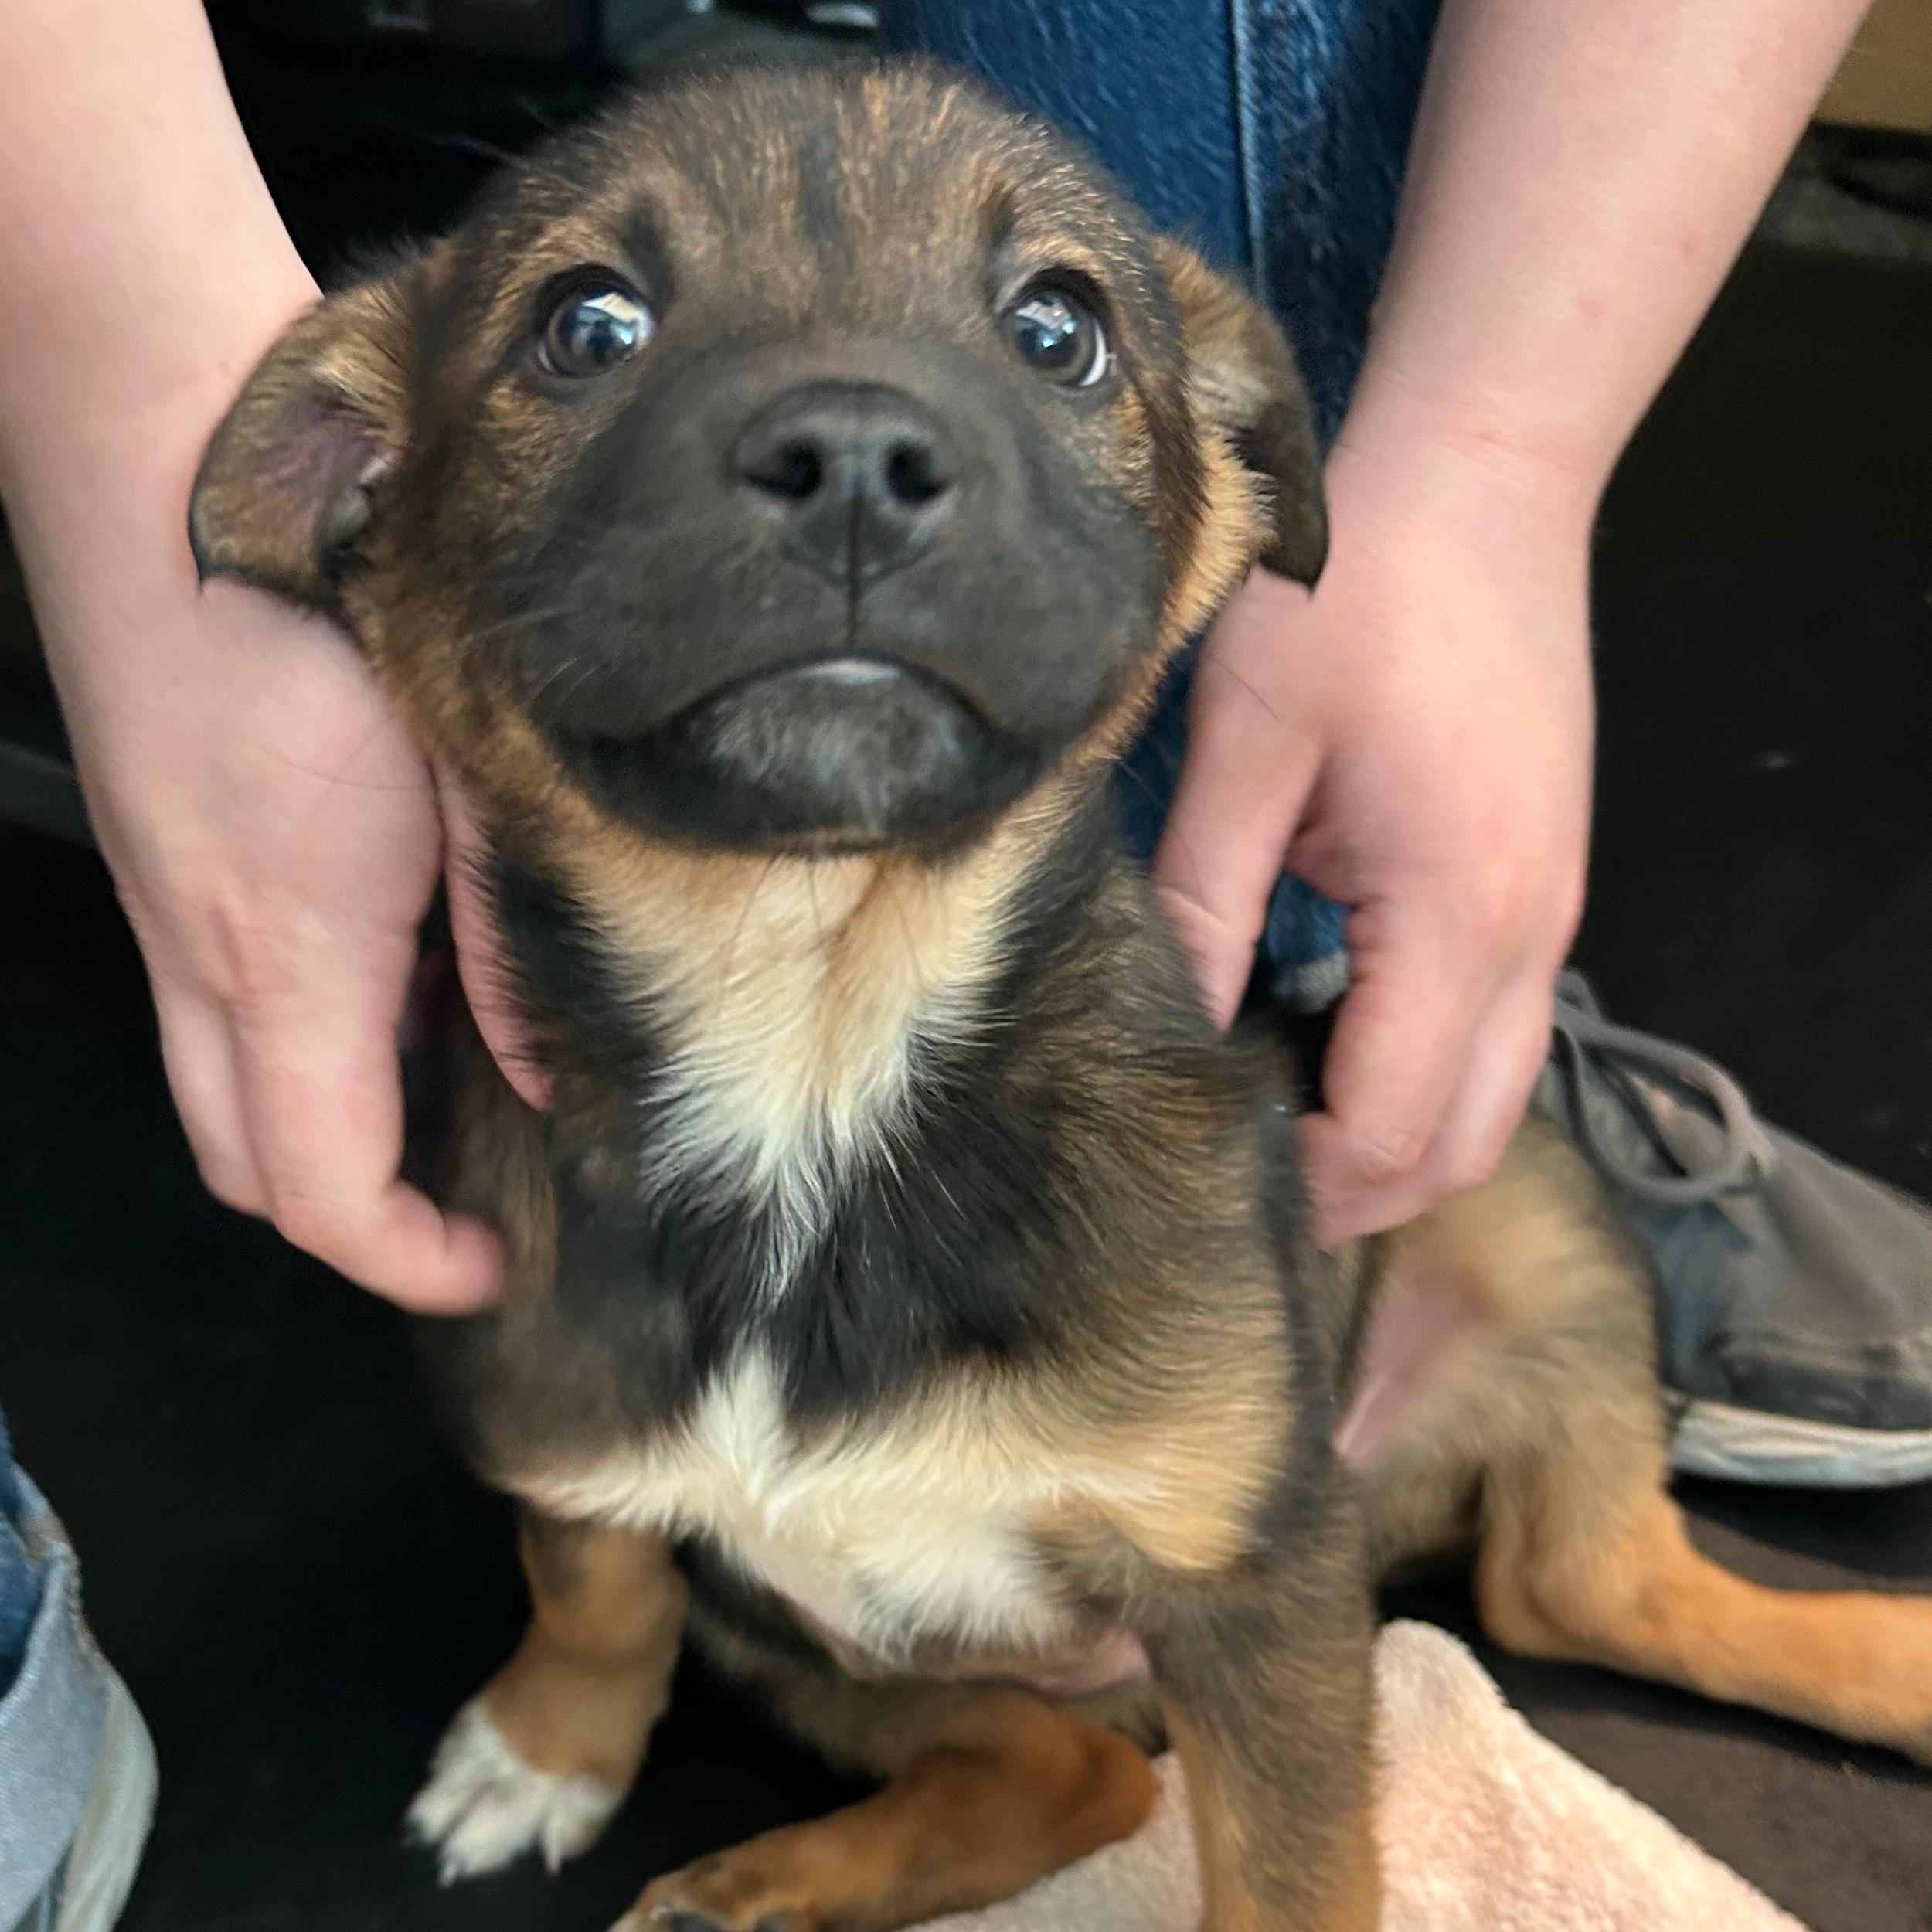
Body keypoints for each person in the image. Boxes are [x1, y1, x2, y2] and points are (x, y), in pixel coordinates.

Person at [0, 1, 1891, 1925]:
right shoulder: (529, 1299)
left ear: (1229, 489)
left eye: (1051, 329)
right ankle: (1001, 1770)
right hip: (793, 1562)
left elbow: (1255, 1575)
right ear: (358, 491)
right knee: (629, 1511)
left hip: (1259, 1380)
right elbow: (568, 1477)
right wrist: (587, 1667)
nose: (847, 438)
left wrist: (1484, 470)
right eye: (595, 326)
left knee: (1516, 1214)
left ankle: (1625, 1571)